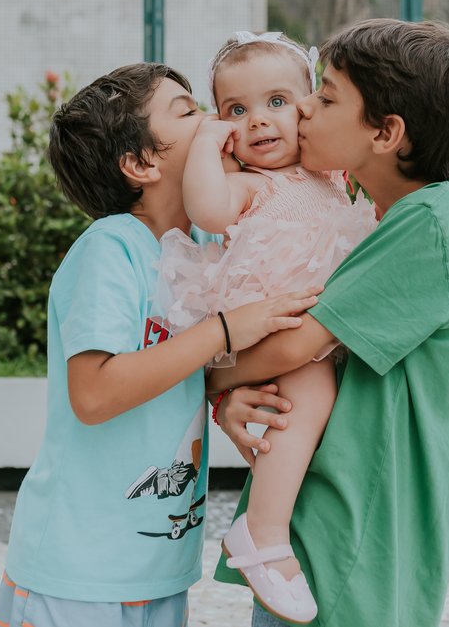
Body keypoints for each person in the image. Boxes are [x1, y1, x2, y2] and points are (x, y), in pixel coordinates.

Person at [0, 63, 322, 627]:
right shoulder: (110, 248)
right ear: (143, 163)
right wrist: (222, 331)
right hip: (79, 570)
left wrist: (221, 398)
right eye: (188, 111)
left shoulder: (199, 250)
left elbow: (173, 368)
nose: (217, 120)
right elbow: (95, 394)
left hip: (160, 567)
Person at [209, 19, 449, 627]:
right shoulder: (376, 214)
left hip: (357, 535)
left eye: (327, 97)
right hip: (326, 519)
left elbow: (297, 348)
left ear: (387, 133)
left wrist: (205, 381)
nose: (304, 108)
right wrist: (229, 392)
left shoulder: (433, 223)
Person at [152, 32, 378, 623]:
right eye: (236, 111)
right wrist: (206, 143)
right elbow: (206, 210)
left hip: (306, 326)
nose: (258, 121)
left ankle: (276, 524)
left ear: (308, 105)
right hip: (265, 325)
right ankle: (263, 535)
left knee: (310, 412)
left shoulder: (329, 175)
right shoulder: (252, 184)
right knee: (310, 393)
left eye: (277, 102)